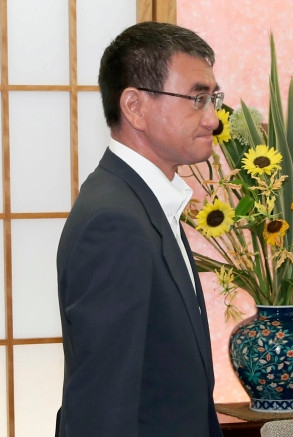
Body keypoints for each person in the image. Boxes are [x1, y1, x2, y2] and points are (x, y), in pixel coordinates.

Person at [56, 22, 224, 437]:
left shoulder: (145, 200)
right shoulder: (115, 221)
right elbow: (102, 403)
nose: (214, 119)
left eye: (214, 98)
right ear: (134, 106)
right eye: (197, 99)